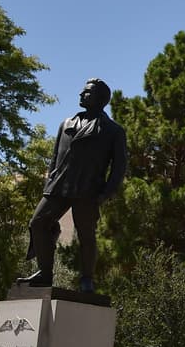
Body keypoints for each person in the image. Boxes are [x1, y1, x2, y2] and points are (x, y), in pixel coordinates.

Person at [18, 78, 127, 294]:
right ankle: (45, 273)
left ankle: (87, 279)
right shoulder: (66, 123)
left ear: (101, 99)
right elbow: (54, 158)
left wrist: (105, 194)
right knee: (38, 223)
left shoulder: (112, 130)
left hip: (88, 189)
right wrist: (49, 183)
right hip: (59, 186)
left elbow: (119, 167)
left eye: (87, 92)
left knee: (86, 235)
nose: (81, 94)